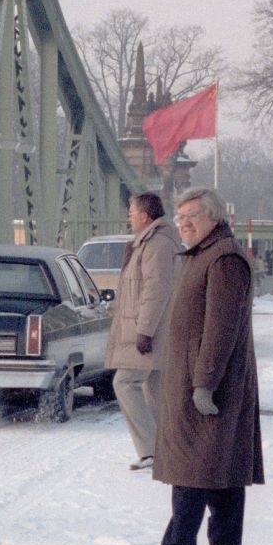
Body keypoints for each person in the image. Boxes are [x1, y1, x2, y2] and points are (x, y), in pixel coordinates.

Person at [132, 187, 263, 545]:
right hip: (199, 384)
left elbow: (219, 331)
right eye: (180, 216)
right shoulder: (205, 255)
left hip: (208, 389)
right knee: (219, 476)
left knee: (194, 475)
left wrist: (203, 385)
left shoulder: (223, 261)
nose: (184, 223)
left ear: (214, 218)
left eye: (193, 216)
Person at [104, 191, 183, 471]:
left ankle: (150, 451)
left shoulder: (156, 245)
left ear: (145, 216)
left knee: (124, 383)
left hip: (151, 330)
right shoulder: (150, 243)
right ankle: (168, 449)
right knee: (155, 388)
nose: (128, 218)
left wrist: (144, 330)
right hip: (155, 329)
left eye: (131, 213)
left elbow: (156, 290)